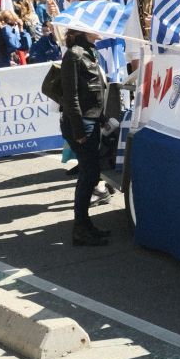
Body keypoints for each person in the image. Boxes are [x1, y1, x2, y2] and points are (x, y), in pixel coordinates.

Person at [59, 27, 110, 246]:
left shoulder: (90, 51)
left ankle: (85, 224)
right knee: (89, 174)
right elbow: (71, 96)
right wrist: (79, 130)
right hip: (81, 123)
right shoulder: (74, 54)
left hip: (92, 120)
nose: (101, 29)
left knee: (92, 174)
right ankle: (79, 228)